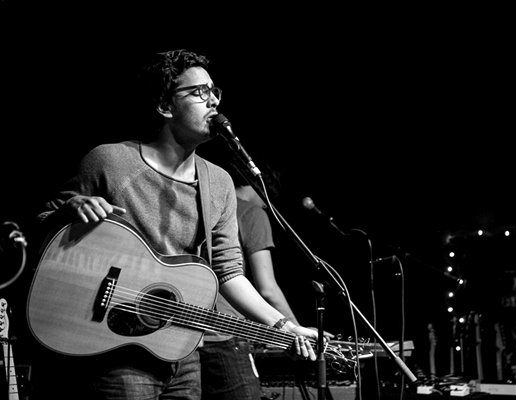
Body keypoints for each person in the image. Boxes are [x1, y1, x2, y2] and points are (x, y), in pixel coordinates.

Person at [29, 48, 317, 400]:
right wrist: (70, 209)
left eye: (214, 91)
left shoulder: (219, 183)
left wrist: (284, 326)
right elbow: (39, 229)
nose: (213, 101)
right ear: (166, 106)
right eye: (198, 92)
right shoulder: (109, 161)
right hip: (115, 349)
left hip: (180, 347)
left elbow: (229, 272)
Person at [198, 162, 321, 399]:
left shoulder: (208, 203)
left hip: (187, 333)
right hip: (225, 333)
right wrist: (297, 330)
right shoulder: (252, 212)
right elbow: (267, 288)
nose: (266, 204)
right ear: (260, 188)